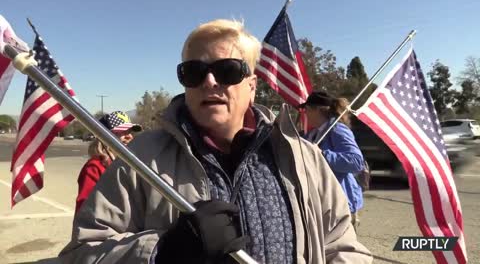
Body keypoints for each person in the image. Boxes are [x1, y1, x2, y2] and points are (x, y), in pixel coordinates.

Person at [59, 19, 372, 264]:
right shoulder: (140, 159)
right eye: (194, 72)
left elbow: (344, 246)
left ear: (252, 86)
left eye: (227, 70)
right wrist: (163, 252)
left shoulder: (304, 156)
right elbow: (81, 253)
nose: (210, 81)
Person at [299, 91, 366, 231]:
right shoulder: (312, 134)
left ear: (317, 110)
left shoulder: (337, 130)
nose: (304, 113)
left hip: (339, 206)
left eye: (306, 110)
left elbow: (356, 162)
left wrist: (322, 154)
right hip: (322, 205)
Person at [74, 110, 142, 213]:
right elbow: (85, 209)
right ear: (104, 136)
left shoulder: (131, 164)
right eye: (122, 132)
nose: (129, 136)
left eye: (130, 131)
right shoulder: (94, 167)